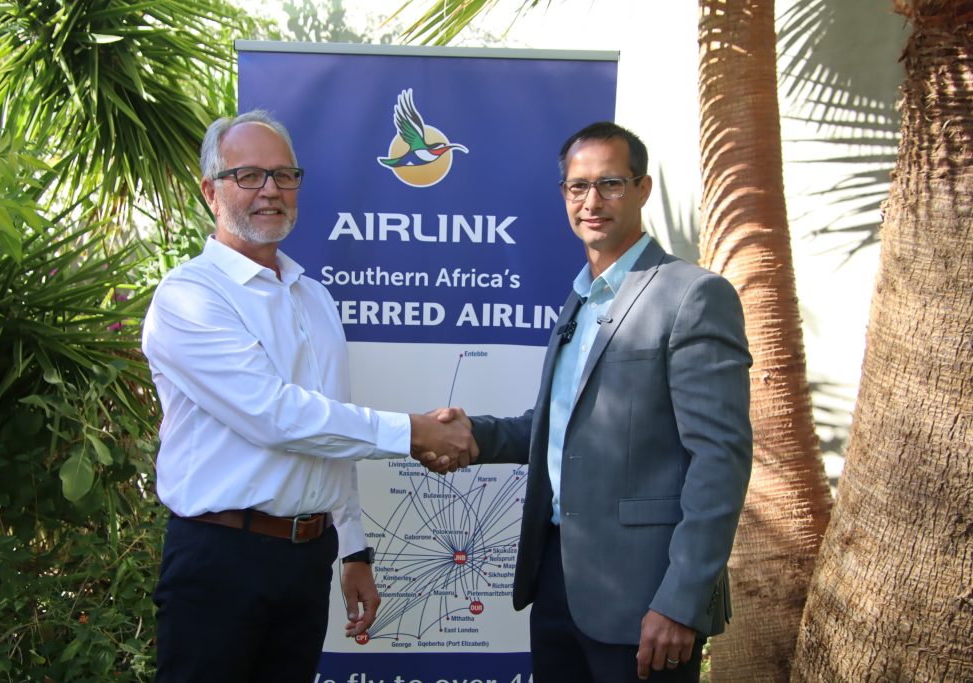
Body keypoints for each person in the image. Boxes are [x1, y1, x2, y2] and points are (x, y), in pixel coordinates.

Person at [141, 109, 476, 683]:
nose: (270, 190)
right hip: (221, 560)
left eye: (284, 175)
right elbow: (277, 417)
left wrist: (354, 549)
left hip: (306, 558)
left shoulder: (312, 297)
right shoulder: (188, 298)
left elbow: (330, 435)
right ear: (210, 192)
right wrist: (415, 431)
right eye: (248, 175)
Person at [431, 121, 752, 682]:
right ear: (564, 194)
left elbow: (719, 459)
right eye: (578, 187)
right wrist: (471, 435)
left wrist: (681, 600)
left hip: (646, 599)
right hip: (558, 581)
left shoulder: (693, 295)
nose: (592, 202)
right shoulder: (581, 297)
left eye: (611, 184)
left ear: (642, 189)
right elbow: (558, 427)